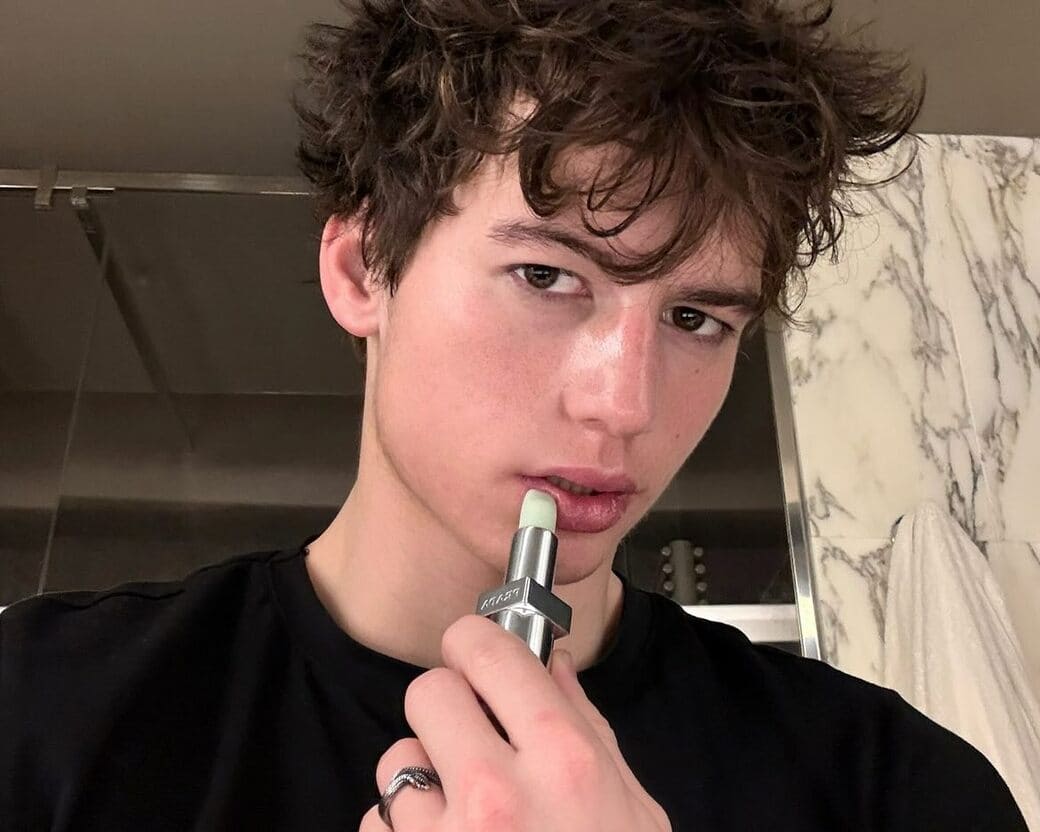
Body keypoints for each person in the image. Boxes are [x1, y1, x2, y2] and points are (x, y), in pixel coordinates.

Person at [0, 0, 1028, 829]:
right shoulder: (37, 708)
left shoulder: (894, 788)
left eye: (695, 318)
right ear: (362, 269)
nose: (622, 404)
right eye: (546, 275)